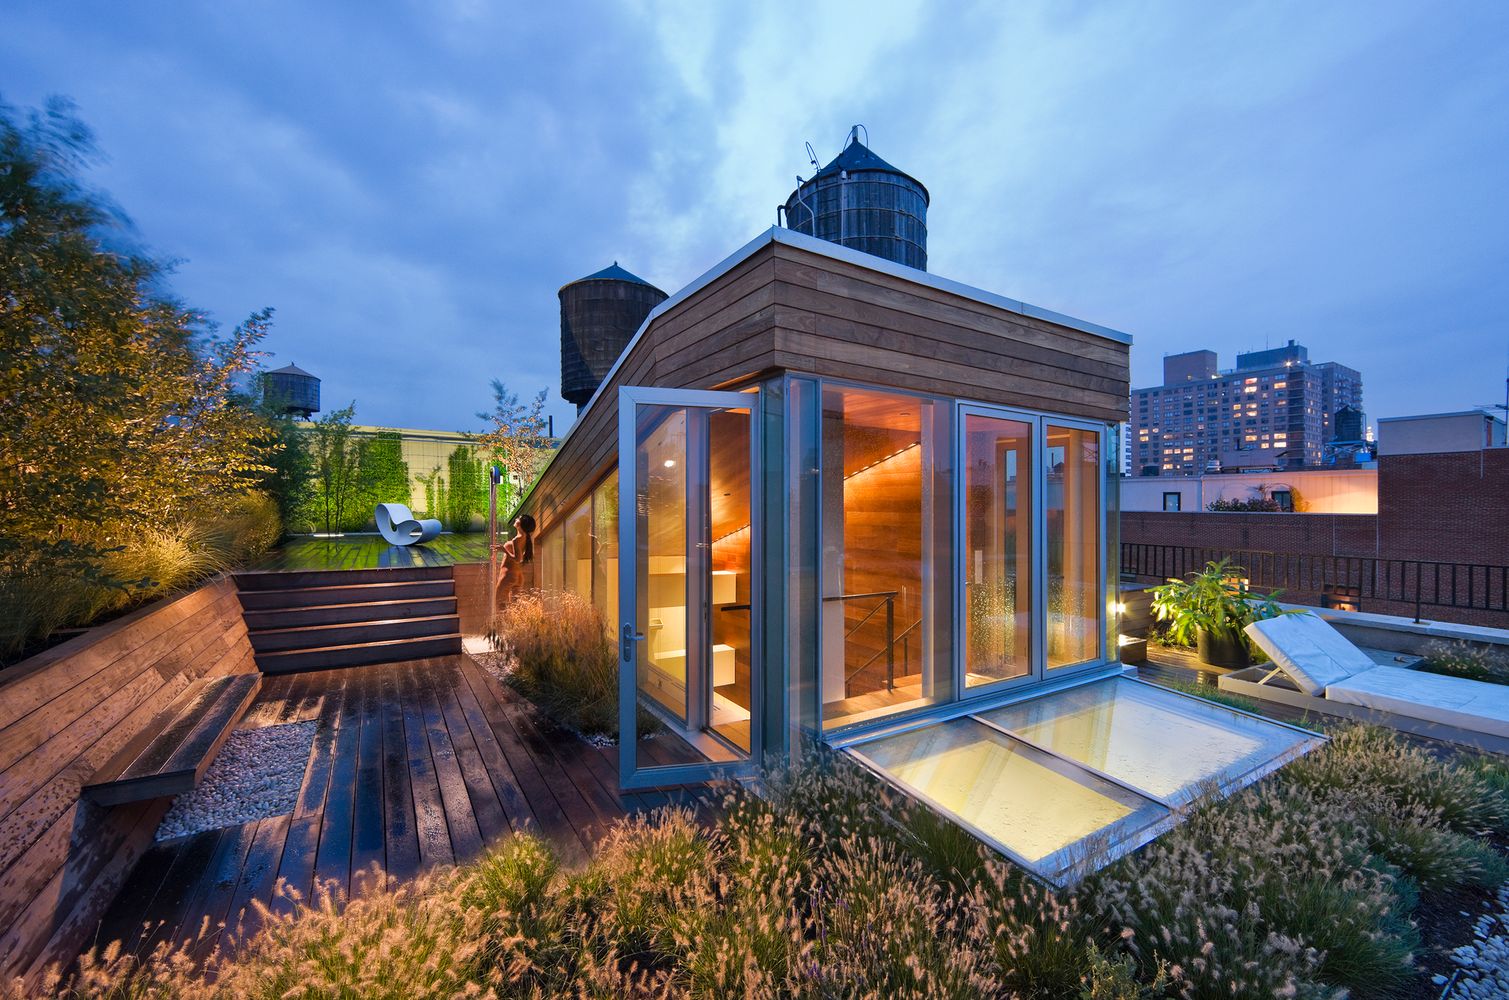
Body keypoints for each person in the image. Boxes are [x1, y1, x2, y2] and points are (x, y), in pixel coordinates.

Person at [495, 513, 535, 610]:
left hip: (508, 575)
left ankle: (503, 625)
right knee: (514, 609)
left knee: (499, 605)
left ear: (521, 523)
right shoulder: (525, 537)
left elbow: (518, 559)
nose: (516, 519)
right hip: (518, 576)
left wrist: (504, 550)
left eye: (518, 518)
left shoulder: (517, 539)